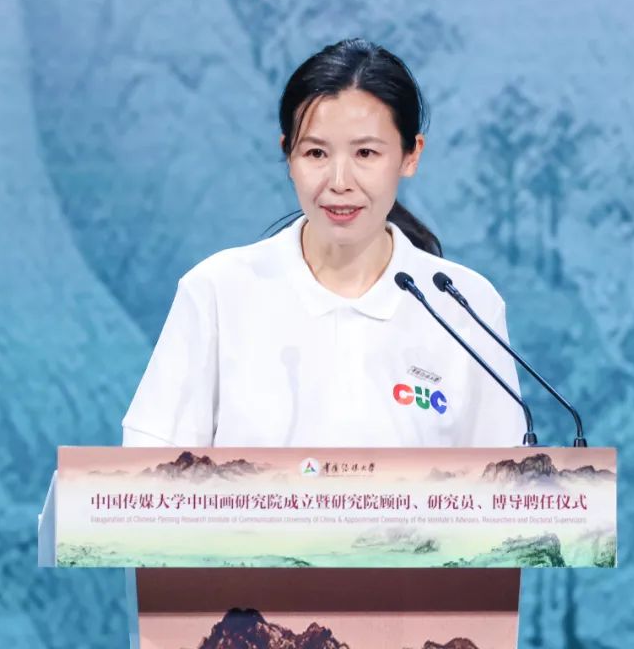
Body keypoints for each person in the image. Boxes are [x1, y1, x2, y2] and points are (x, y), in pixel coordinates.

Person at [122, 38, 526, 448]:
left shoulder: (465, 306)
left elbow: (506, 481)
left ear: (411, 155)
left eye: (365, 153)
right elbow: (147, 469)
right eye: (316, 153)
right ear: (288, 155)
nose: (339, 182)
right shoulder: (217, 292)